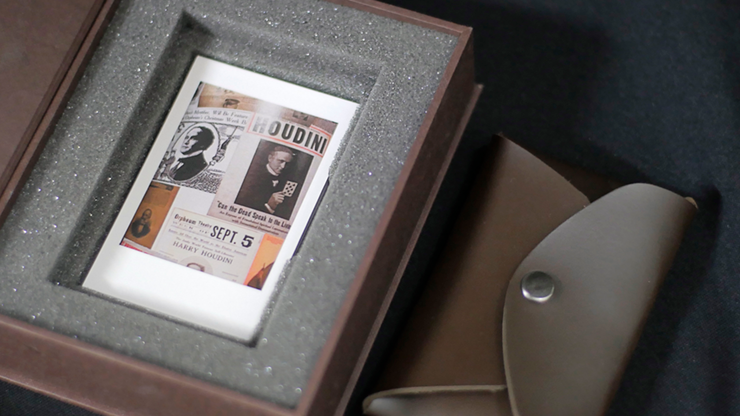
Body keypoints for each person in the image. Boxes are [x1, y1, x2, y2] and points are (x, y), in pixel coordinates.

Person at [235, 145, 296, 218]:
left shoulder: (287, 180)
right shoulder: (250, 177)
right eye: (280, 161)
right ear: (270, 158)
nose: (283, 166)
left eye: (287, 163)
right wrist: (269, 206)